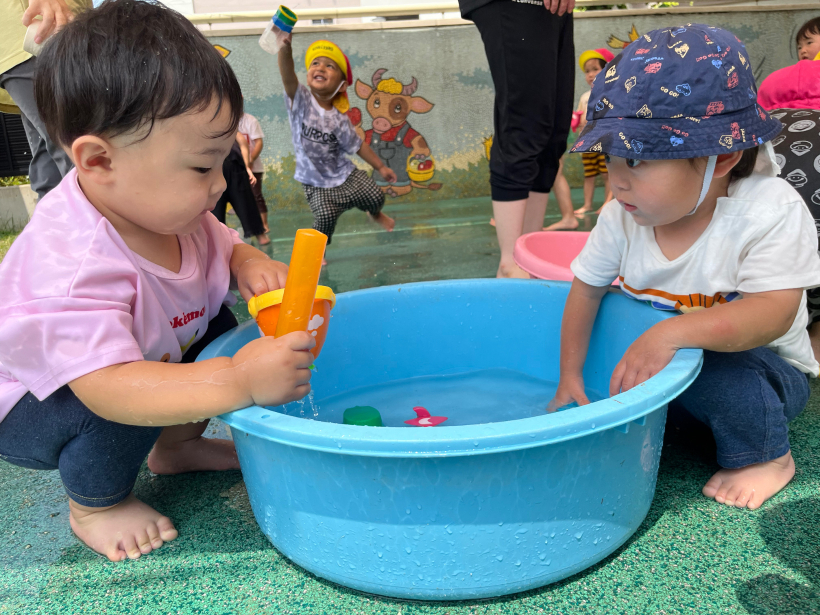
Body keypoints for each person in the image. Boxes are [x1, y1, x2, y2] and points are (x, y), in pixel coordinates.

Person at [0, 0, 315, 562]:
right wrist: (238, 380)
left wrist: (246, 261)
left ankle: (176, 448)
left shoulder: (169, 212)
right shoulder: (71, 263)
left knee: (215, 322)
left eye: (222, 162)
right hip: (40, 401)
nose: (219, 185)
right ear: (99, 161)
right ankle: (96, 506)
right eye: (201, 167)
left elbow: (221, 243)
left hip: (132, 356)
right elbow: (110, 387)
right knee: (122, 402)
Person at [550, 25, 820, 511]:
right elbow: (585, 290)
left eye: (636, 160)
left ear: (722, 156)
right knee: (613, 326)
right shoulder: (620, 216)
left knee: (719, 372)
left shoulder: (767, 211)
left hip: (759, 374)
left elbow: (774, 313)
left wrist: (672, 333)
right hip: (673, 371)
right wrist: (569, 376)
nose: (617, 181)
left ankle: (768, 457)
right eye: (609, 158)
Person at [459, 0, 575, 278]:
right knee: (525, 125)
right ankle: (511, 264)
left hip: (554, 10)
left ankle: (528, 256)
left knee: (552, 135)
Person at [277, 37, 397, 263]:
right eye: (315, 63)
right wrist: (285, 47)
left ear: (342, 85)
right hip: (315, 182)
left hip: (344, 174)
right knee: (325, 217)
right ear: (308, 75)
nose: (320, 67)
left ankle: (375, 214)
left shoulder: (340, 119)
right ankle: (319, 249)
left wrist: (381, 167)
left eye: (330, 66)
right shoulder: (301, 101)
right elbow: (287, 75)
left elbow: (357, 146)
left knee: (375, 196)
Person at [0, 0, 84, 198]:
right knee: (80, 150)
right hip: (38, 30)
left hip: (41, 33)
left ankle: (54, 218)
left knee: (53, 165)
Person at [571, 47, 614, 217]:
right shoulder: (584, 96)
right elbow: (580, 116)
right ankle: (587, 204)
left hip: (603, 142)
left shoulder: (610, 94)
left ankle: (608, 204)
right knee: (589, 175)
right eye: (587, 71)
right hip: (587, 143)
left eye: (595, 69)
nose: (590, 74)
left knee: (606, 174)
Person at [213, 132, 270, 245]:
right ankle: (218, 240)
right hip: (215, 170)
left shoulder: (228, 127)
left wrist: (247, 167)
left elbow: (243, 143)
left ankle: (260, 235)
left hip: (234, 168)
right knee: (215, 211)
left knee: (246, 203)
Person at [238, 111, 270, 233]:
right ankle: (249, 226)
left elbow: (259, 143)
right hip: (236, 168)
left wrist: (250, 160)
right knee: (241, 198)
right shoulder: (225, 119)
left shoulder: (250, 120)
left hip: (253, 167)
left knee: (256, 196)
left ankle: (264, 225)